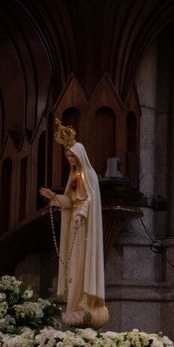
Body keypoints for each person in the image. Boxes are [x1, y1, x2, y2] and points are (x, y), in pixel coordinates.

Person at [39, 119, 109, 329]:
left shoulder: (89, 175)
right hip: (75, 229)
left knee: (82, 265)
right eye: (67, 155)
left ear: (80, 155)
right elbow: (70, 201)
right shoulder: (73, 177)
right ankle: (74, 305)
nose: (69, 158)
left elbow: (89, 199)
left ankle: (84, 303)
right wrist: (55, 198)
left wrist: (82, 213)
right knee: (74, 267)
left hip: (86, 229)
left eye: (72, 155)